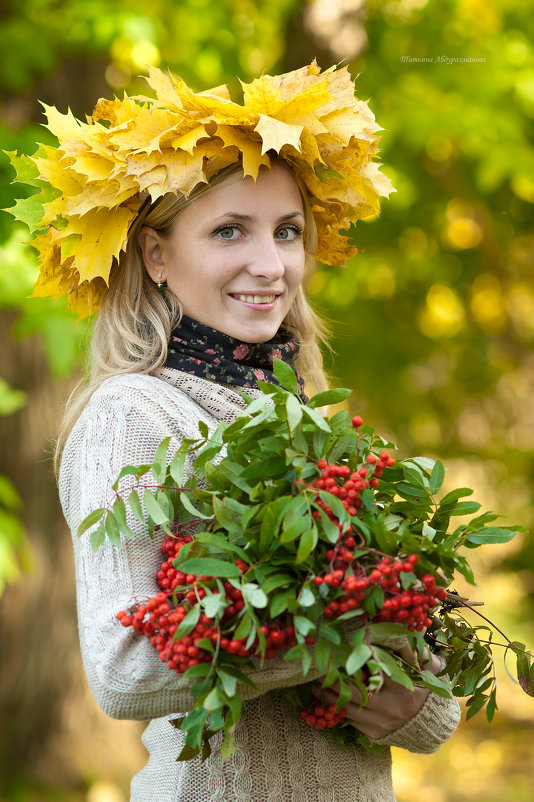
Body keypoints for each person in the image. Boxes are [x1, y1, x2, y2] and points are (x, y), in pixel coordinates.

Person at [18, 62, 461, 801]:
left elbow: (431, 686)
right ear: (156, 256)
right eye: (230, 230)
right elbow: (125, 671)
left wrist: (418, 707)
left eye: (287, 232)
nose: (271, 264)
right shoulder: (134, 416)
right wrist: (336, 633)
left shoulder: (314, 421)